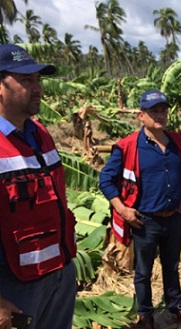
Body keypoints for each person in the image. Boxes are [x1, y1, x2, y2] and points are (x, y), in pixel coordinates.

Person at [99, 89, 181, 329]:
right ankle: (145, 314)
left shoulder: (176, 141)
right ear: (141, 116)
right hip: (145, 220)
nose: (160, 115)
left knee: (171, 266)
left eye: (163, 110)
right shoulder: (128, 146)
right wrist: (123, 210)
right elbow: (105, 180)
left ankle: (175, 306)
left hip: (173, 217)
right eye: (154, 111)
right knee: (143, 272)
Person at [0, 44, 77, 329]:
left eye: (39, 80)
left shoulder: (40, 133)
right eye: (26, 80)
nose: (38, 89)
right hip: (15, 285)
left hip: (60, 273)